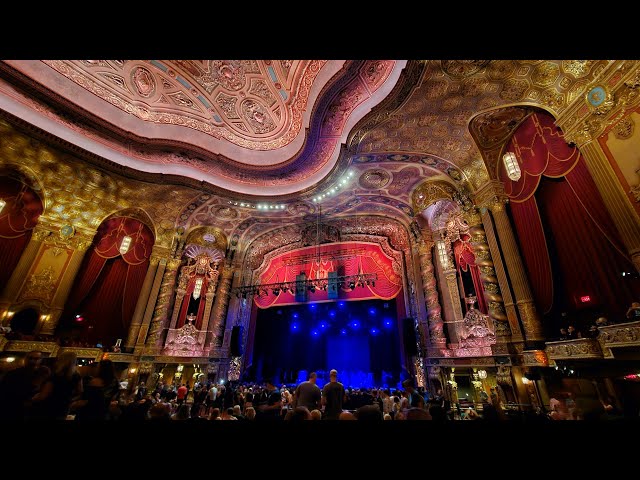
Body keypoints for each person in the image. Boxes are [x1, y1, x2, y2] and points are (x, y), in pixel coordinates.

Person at [0, 350, 43, 420]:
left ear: (41, 360)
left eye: (36, 359)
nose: (32, 361)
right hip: (11, 407)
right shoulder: (13, 373)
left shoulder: (42, 374)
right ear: (25, 359)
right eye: (30, 358)